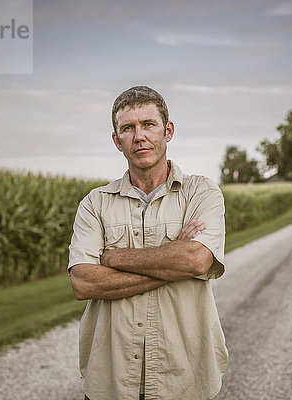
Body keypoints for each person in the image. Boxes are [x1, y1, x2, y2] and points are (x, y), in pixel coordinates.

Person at [68, 86, 228, 400]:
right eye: (128, 128)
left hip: (185, 380)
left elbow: (196, 261)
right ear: (117, 141)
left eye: (148, 124)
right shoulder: (95, 204)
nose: (139, 136)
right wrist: (171, 261)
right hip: (111, 382)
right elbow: (83, 283)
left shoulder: (201, 193)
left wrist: (113, 258)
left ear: (167, 131)